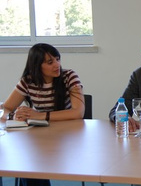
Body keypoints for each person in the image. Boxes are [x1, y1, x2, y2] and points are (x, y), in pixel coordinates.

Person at [1, 43, 85, 186]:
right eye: (50, 62)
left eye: (57, 59)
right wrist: (13, 116)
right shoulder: (28, 81)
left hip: (68, 137)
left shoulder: (69, 76)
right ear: (36, 65)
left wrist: (41, 115)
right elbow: (6, 108)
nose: (57, 65)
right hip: (40, 136)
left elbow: (78, 112)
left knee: (31, 165)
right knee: (28, 164)